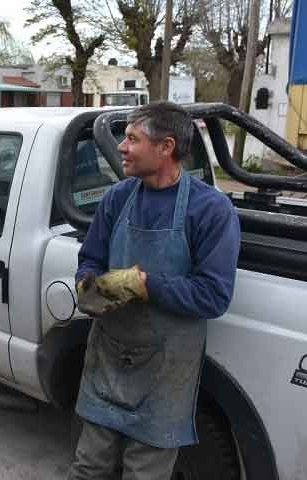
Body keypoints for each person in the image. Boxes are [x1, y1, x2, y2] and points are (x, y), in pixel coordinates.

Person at [70, 101, 241, 480]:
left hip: (165, 372)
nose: (122, 147)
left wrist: (145, 285)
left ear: (165, 147)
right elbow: (91, 256)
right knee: (88, 467)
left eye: (133, 139)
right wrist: (87, 282)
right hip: (109, 359)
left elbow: (214, 295)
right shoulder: (118, 197)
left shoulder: (210, 209)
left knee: (143, 475)